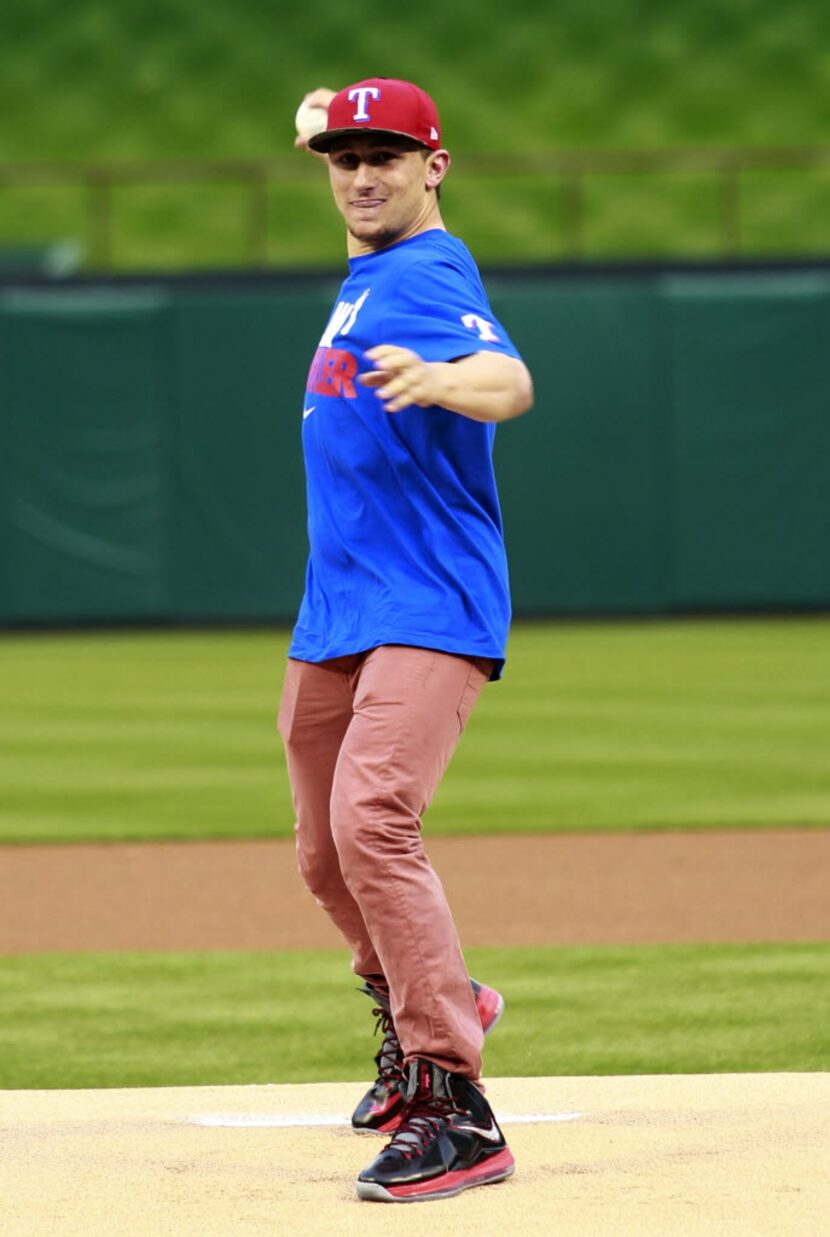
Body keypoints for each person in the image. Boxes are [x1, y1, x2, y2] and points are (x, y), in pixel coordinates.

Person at [279, 77, 533, 1203]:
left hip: (428, 600)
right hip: (337, 609)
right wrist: (320, 114)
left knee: (372, 816)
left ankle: (453, 1103)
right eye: (346, 157)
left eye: (389, 154)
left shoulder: (428, 272)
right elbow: (322, 122)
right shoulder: (368, 265)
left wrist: (443, 381)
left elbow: (509, 378)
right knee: (323, 854)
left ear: (438, 165)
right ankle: (435, 998)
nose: (364, 172)